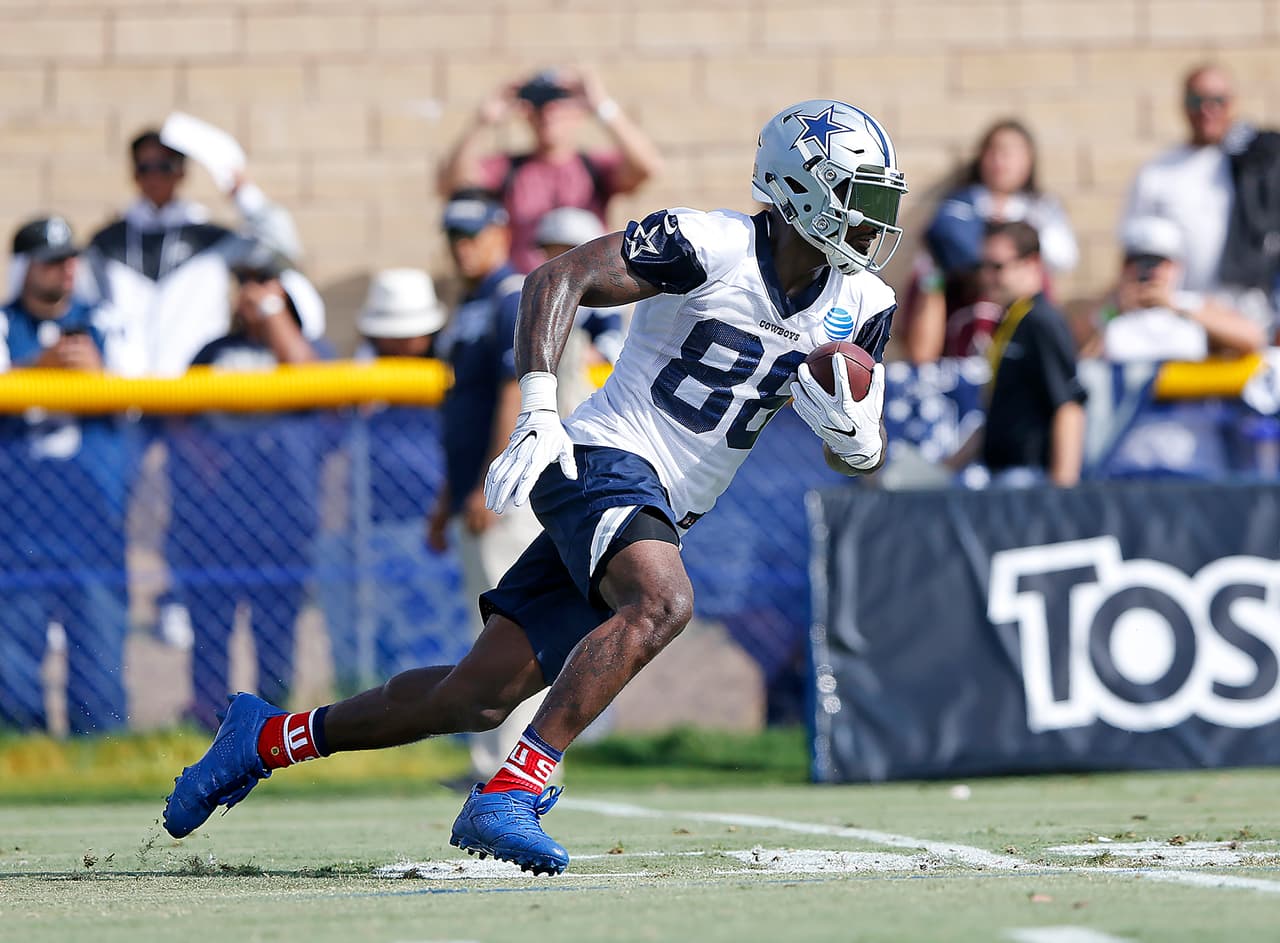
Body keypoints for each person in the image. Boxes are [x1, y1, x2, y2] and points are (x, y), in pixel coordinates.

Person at [162, 99, 905, 876]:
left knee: (474, 695)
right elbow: (559, 275)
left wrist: (856, 440)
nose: (871, 220)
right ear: (797, 188)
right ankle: (513, 788)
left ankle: (265, 737)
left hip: (659, 508)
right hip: (599, 456)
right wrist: (541, 405)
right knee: (662, 602)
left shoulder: (865, 305)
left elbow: (854, 462)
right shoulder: (710, 243)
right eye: (859, 195)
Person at [164, 243, 330, 729]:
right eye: (246, 283)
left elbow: (314, 383)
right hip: (211, 522)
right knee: (211, 633)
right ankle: (210, 724)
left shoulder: (304, 349)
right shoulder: (213, 352)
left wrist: (275, 316)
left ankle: (271, 727)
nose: (251, 293)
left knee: (275, 633)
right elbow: (176, 418)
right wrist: (204, 459)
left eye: (265, 281)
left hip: (282, 522)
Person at [422, 189, 546, 784]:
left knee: (513, 630)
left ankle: (518, 764)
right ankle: (490, 760)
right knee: (489, 627)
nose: (462, 246)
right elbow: (460, 410)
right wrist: (449, 496)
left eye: (472, 233)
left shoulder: (510, 295)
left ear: (500, 231)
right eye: (454, 236)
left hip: (505, 492)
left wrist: (491, 481)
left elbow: (512, 390)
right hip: (474, 487)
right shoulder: (470, 303)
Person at [0, 217, 134, 733]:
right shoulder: (5, 324)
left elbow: (143, 400)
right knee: (12, 673)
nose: (67, 270)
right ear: (25, 268)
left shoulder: (107, 322)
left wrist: (95, 378)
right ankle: (23, 765)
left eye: (71, 260)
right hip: (18, 526)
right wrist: (42, 368)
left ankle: (102, 763)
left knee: (101, 671)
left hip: (93, 522)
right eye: (53, 261)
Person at [317, 268, 467, 694]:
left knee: (445, 633)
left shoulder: (453, 373)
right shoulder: (362, 381)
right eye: (392, 334)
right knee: (383, 634)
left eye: (411, 333)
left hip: (441, 525)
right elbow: (329, 443)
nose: (402, 343)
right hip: (378, 525)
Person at [80, 126, 303, 377]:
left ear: (181, 172)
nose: (154, 177)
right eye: (145, 168)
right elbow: (84, 307)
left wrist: (244, 194)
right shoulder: (106, 243)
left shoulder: (211, 239)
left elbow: (285, 247)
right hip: (123, 397)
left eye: (164, 167)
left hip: (194, 395)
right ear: (134, 174)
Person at [436, 68, 663, 273]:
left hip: (589, 293)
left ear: (578, 112)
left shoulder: (592, 165)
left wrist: (602, 106)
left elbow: (648, 167)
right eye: (540, 105)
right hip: (526, 294)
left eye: (559, 101)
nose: (549, 112)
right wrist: (482, 121)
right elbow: (452, 185)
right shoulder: (510, 168)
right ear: (526, 113)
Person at [1120, 63, 1278, 333]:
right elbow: (1132, 252)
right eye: (1197, 100)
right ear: (1183, 104)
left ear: (1233, 103)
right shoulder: (1157, 172)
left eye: (1218, 100)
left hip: (1248, 316)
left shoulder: (1258, 165)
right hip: (1179, 316)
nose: (1207, 110)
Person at [903, 119, 1078, 363]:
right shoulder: (957, 206)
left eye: (1011, 153)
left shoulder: (1042, 207)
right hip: (962, 324)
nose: (1000, 161)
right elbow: (943, 249)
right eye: (993, 151)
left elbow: (1064, 257)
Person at [949, 221, 1086, 487]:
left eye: (997, 267)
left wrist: (1063, 492)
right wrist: (946, 467)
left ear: (1032, 262)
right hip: (1002, 475)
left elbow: (1069, 407)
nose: (986, 277)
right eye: (982, 267)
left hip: (1030, 478)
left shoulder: (1042, 321)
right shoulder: (1013, 320)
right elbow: (1001, 414)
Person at [1091, 216, 1265, 363]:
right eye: (1138, 261)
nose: (1149, 271)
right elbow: (1081, 361)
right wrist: (1115, 311)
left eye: (1157, 262)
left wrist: (1175, 308)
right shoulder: (1111, 311)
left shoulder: (1193, 305)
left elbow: (1253, 340)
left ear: (1176, 266)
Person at [534, 207, 627, 412]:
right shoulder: (541, 300)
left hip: (589, 402)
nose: (558, 262)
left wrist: (574, 353)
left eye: (567, 252)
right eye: (552, 253)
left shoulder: (607, 301)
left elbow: (609, 350)